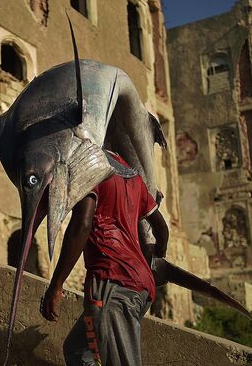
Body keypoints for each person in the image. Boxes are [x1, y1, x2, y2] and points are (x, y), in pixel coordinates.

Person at [40, 152, 169, 366]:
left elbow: (82, 225)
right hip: (141, 286)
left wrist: (57, 285)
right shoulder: (132, 177)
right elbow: (161, 229)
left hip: (112, 283)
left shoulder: (91, 166)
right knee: (77, 351)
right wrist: (158, 253)